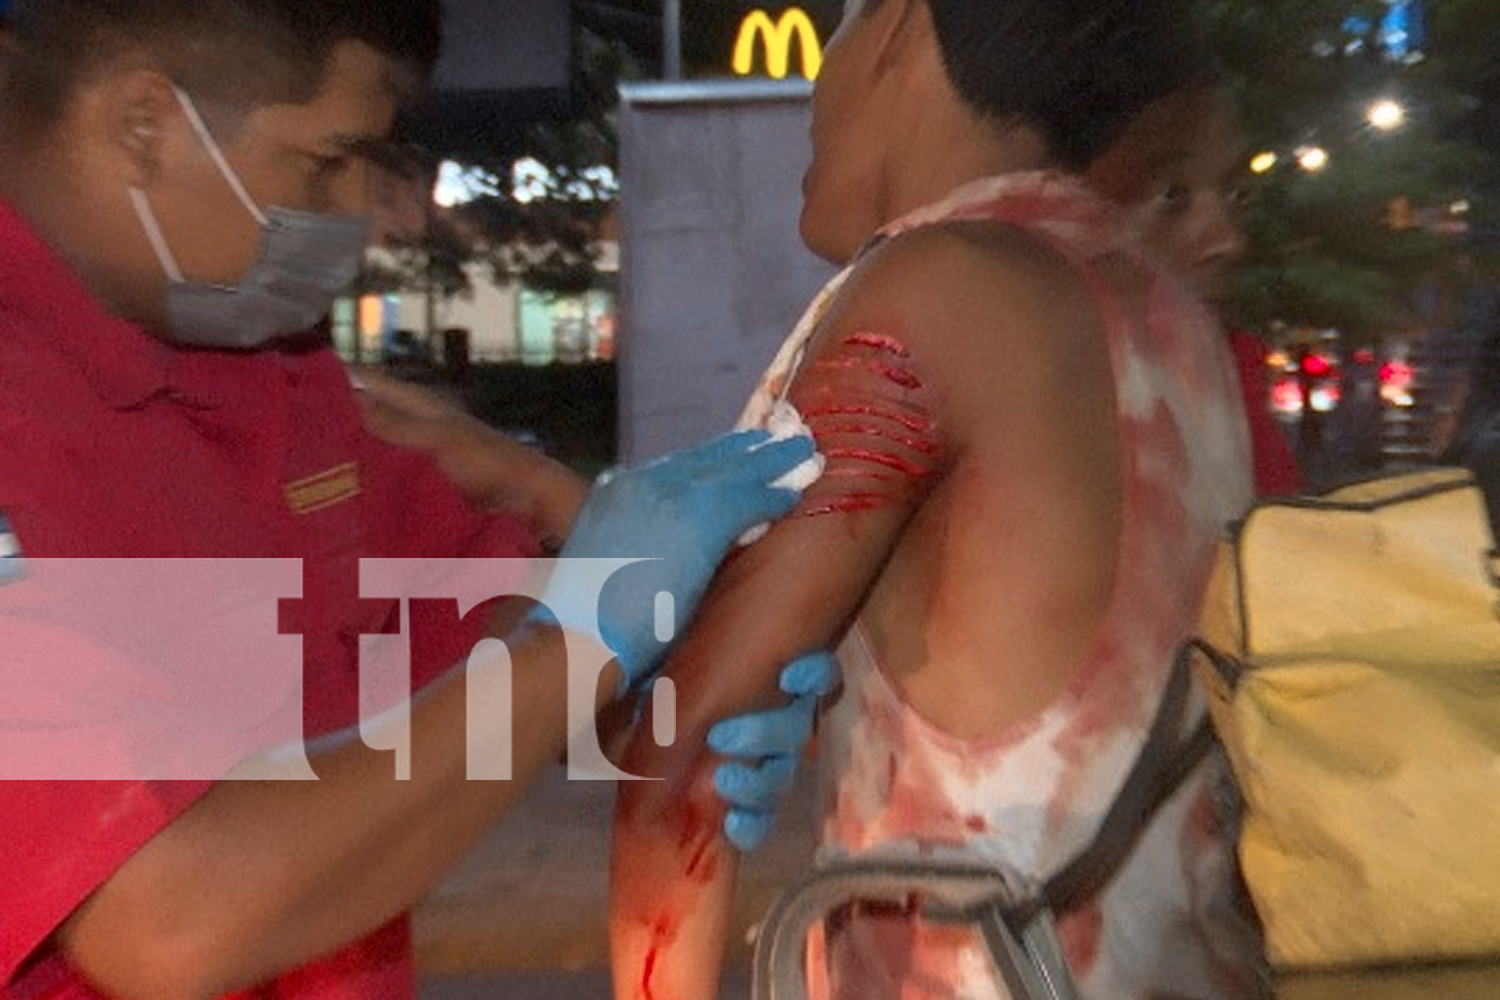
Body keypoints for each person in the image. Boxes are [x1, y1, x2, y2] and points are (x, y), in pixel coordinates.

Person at [0, 3, 831, 1000]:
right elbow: (170, 916)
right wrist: (580, 641)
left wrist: (676, 678)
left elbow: (485, 674)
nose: (365, 214)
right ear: (144, 123)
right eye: (326, 160)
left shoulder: (274, 378)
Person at [599, 0, 1261, 997]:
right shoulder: (1170, 317)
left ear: (901, 25)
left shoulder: (940, 288)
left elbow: (681, 755)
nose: (813, 91)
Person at [1084, 80, 1303, 497]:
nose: (1229, 241)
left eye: (1237, 193)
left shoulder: (1222, 381)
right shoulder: (1002, 409)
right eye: (1171, 196)